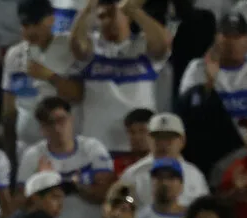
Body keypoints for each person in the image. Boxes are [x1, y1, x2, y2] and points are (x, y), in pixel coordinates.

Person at [69, 0, 171, 156]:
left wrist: (135, 11)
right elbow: (76, 45)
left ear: (128, 17)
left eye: (115, 14)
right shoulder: (93, 47)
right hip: (98, 147)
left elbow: (163, 44)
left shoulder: (142, 45)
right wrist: (89, 8)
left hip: (141, 147)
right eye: (103, 16)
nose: (110, 20)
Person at [15, 96, 114, 218]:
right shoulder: (33, 155)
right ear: (42, 128)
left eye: (61, 120)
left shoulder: (92, 148)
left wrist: (74, 186)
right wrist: (42, 184)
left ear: (71, 119)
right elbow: (21, 203)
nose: (57, 128)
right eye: (49, 123)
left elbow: (107, 194)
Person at [1, 0, 84, 161]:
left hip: (65, 146)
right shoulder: (14, 54)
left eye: (36, 23)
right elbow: (9, 111)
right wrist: (9, 152)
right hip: (26, 147)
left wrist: (50, 76)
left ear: (51, 19)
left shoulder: (68, 47)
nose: (30, 30)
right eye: (25, 25)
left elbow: (77, 95)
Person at [178, 12, 247, 126]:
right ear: (216, 38)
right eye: (226, 35)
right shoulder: (198, 67)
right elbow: (187, 113)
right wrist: (209, 82)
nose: (232, 42)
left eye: (237, 36)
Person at [118, 113, 210, 208]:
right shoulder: (132, 174)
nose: (163, 144)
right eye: (157, 138)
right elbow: (122, 207)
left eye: (169, 139)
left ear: (182, 141)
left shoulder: (195, 175)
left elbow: (203, 210)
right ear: (149, 140)